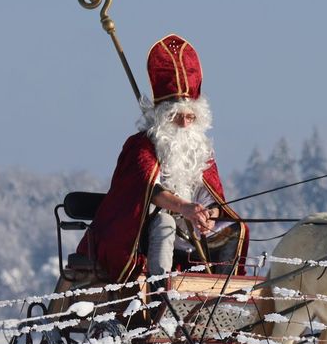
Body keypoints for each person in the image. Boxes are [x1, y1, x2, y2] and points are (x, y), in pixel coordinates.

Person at [77, 34, 249, 285]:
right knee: (165, 223)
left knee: (236, 228)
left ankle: (221, 293)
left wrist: (208, 214)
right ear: (162, 115)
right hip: (144, 228)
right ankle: (161, 293)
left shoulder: (199, 147)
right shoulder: (141, 145)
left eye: (190, 117)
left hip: (191, 227)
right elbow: (149, 191)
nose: (184, 123)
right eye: (176, 116)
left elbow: (209, 194)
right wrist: (183, 208)